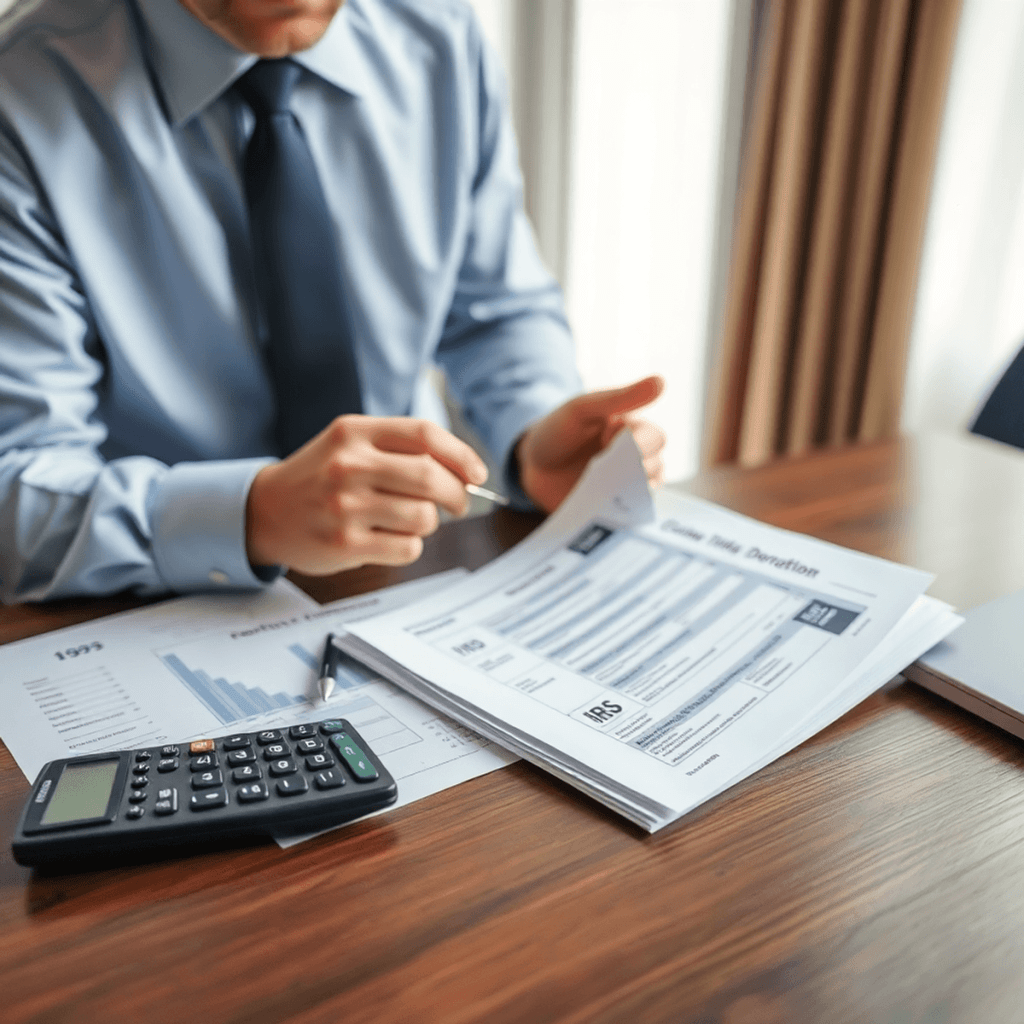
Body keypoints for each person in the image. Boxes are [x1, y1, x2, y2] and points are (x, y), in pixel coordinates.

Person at [0, 0, 665, 604]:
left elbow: (496, 311)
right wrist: (250, 515)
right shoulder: (18, 99)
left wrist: (531, 437)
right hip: (137, 608)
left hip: (415, 572)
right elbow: (17, 491)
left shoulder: (439, 35)